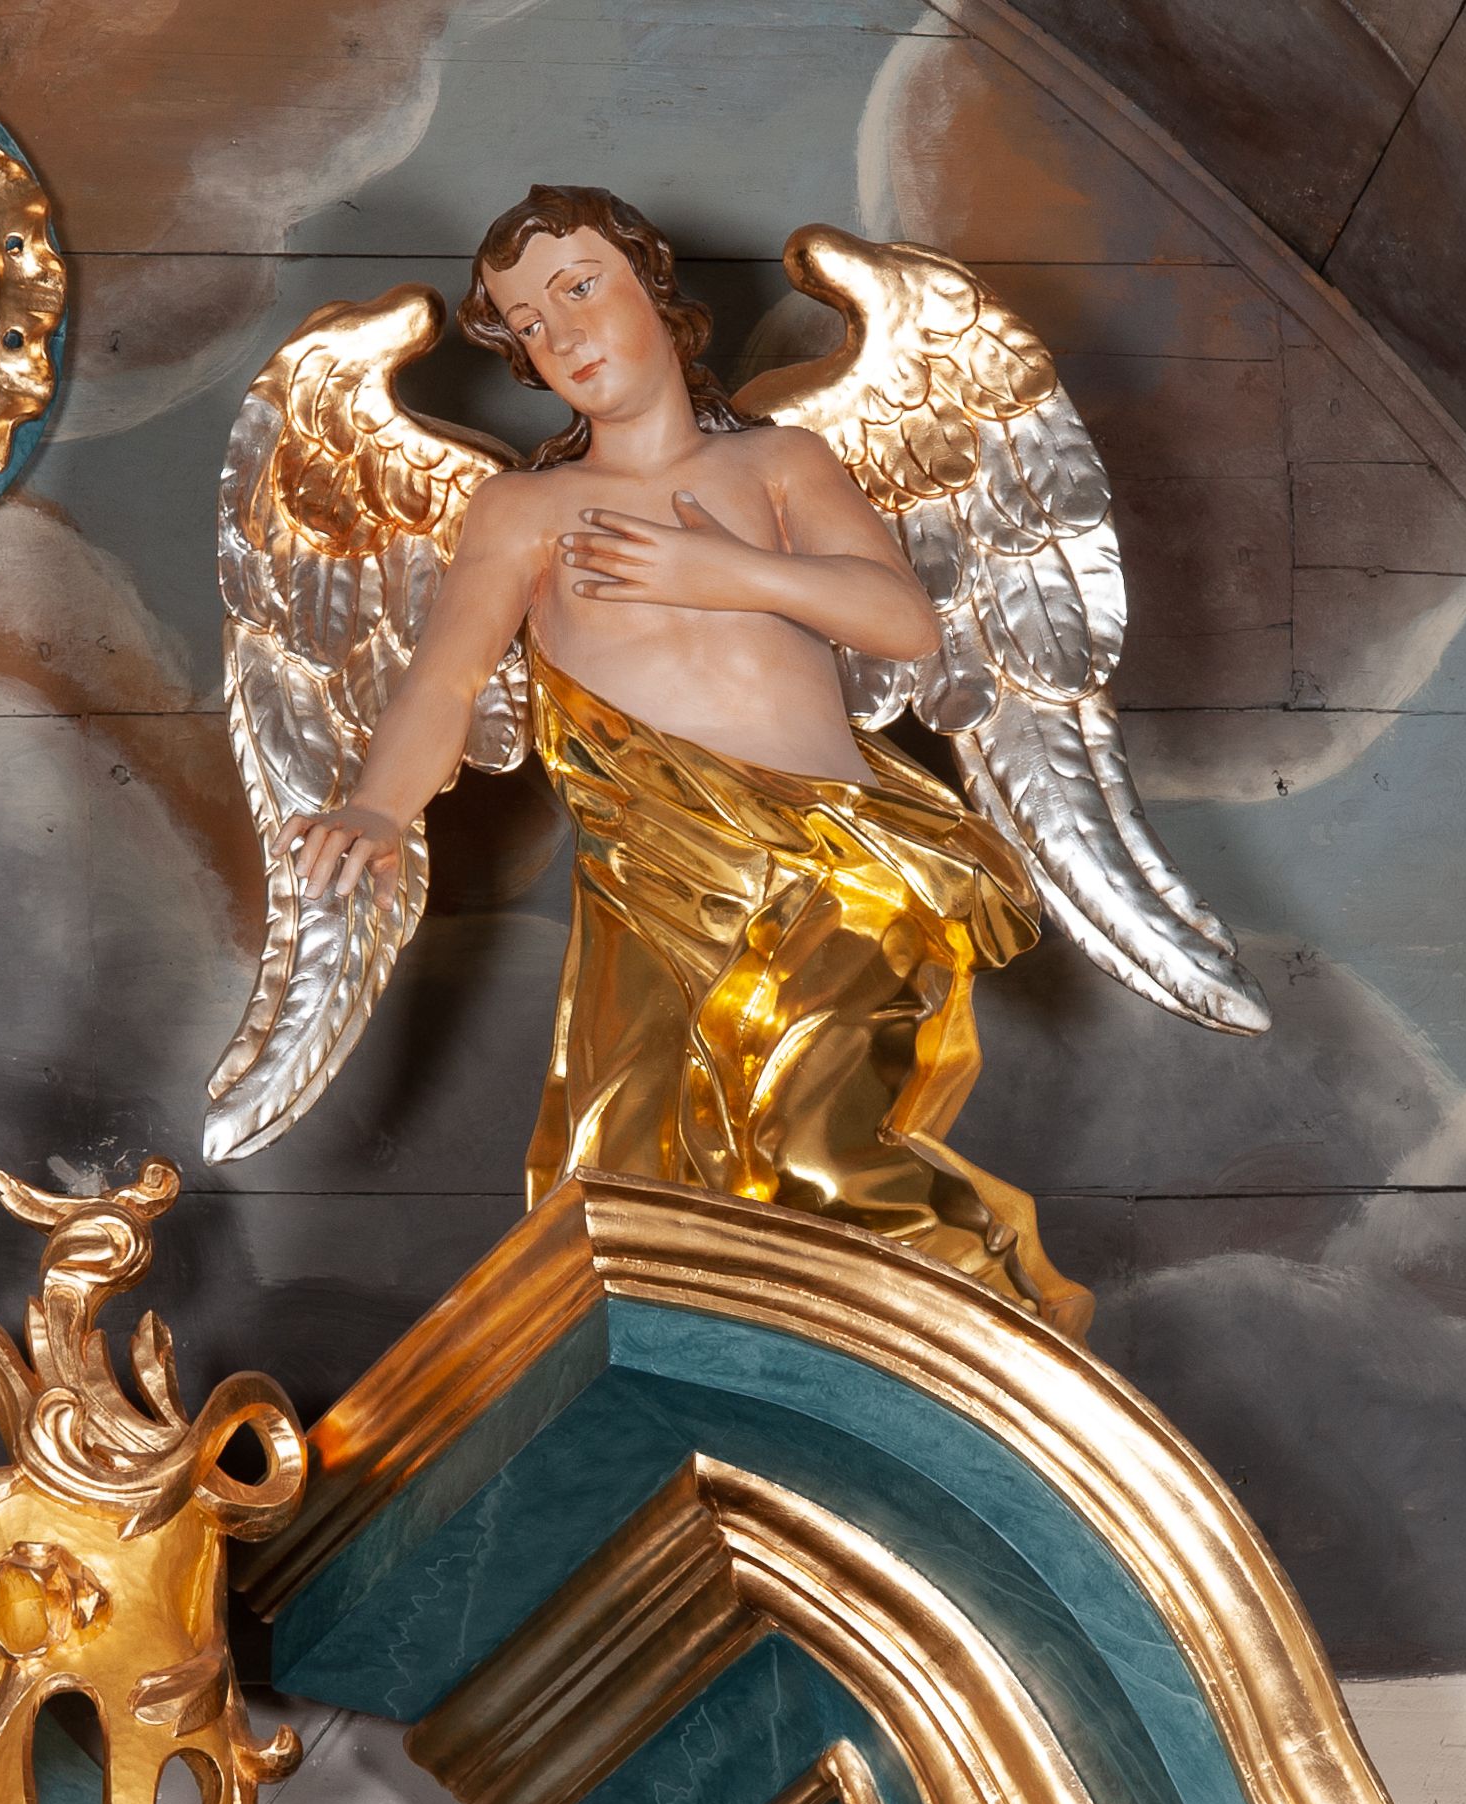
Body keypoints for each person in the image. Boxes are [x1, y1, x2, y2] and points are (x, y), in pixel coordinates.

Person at [283, 183, 1089, 1335]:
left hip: (832, 871)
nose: (560, 333)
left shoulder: (777, 466)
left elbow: (901, 620)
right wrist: (375, 806)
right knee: (629, 1180)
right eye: (528, 321)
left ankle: (980, 1344)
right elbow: (444, 683)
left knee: (820, 1143)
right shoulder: (526, 512)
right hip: (653, 887)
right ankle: (699, 1394)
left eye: (579, 288)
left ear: (655, 290)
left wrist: (727, 573)